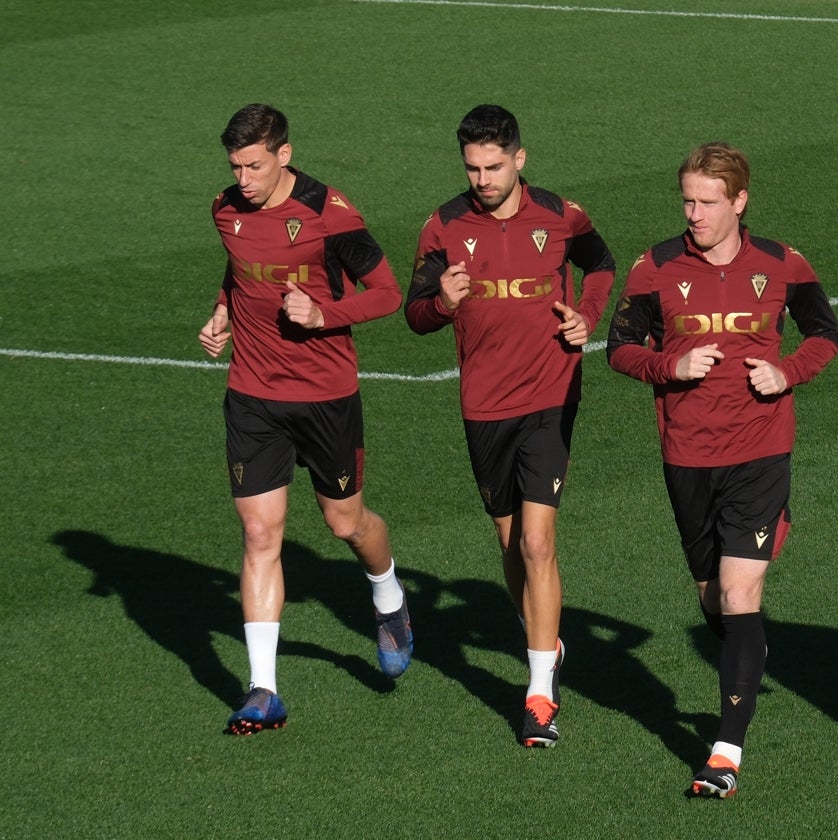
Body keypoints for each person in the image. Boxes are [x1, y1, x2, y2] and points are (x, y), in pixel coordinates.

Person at [607, 142, 838, 797]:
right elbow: (619, 348)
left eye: (707, 202)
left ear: (739, 202)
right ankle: (745, 649)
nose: (694, 214)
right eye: (686, 200)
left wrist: (788, 371)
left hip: (761, 451)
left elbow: (826, 334)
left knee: (741, 596)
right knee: (716, 603)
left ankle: (725, 753)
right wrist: (668, 367)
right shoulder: (654, 267)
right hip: (687, 456)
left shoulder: (782, 264)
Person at [198, 103, 413, 735]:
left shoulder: (330, 215)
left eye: (255, 165)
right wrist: (223, 312)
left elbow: (387, 293)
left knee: (345, 521)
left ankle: (389, 598)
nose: (244, 179)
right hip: (253, 394)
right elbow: (241, 275)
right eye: (236, 166)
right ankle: (264, 689)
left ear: (284, 155)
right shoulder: (225, 210)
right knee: (260, 534)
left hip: (325, 396)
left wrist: (324, 316)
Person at [405, 104, 615, 747]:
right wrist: (443, 302)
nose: (483, 179)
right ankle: (545, 642)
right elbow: (413, 314)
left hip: (551, 397)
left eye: (494, 166)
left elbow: (602, 264)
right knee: (509, 544)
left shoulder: (561, 215)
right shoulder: (442, 226)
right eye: (472, 167)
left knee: (537, 542)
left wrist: (585, 314)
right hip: (484, 405)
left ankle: (540, 695)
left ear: (519, 159)